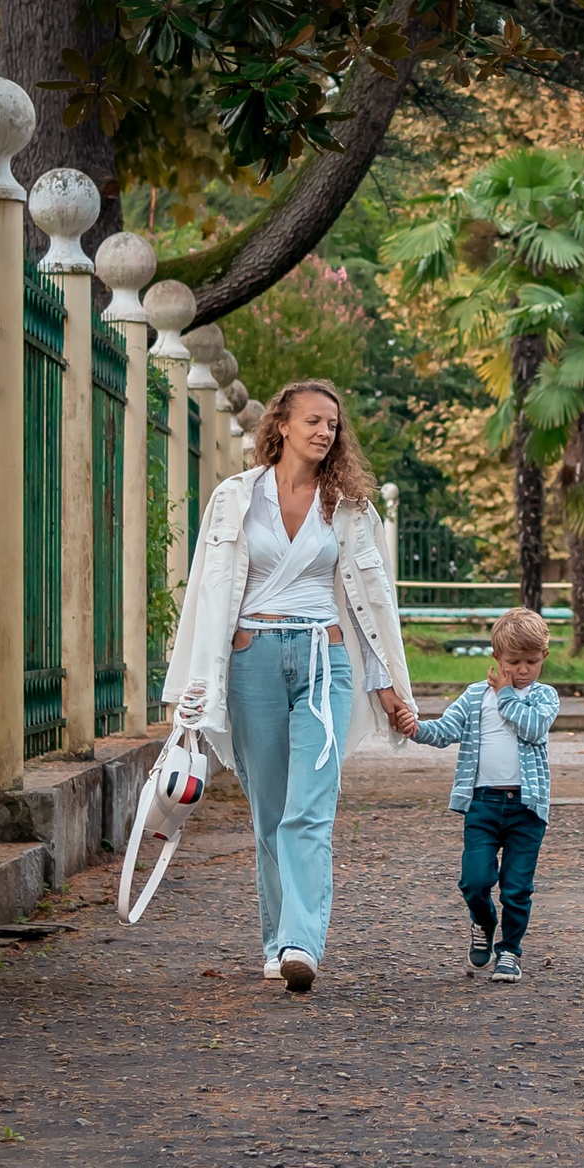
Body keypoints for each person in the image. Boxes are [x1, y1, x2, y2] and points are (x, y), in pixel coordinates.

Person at [161, 379, 419, 993]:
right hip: (251, 660)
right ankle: (277, 942)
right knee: (271, 811)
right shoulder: (234, 498)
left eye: (332, 423)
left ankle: (302, 943)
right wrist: (197, 685)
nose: (325, 431)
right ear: (281, 425)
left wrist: (386, 683)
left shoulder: (350, 507)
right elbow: (206, 593)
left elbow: (372, 603)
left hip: (325, 660)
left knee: (309, 807)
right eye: (313, 420)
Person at [407, 607, 560, 982]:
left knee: (517, 888)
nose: (522, 670)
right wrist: (415, 729)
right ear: (496, 656)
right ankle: (483, 921)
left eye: (531, 662)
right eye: (513, 662)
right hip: (483, 804)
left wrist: (506, 694)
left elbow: (533, 728)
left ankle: (509, 952)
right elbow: (445, 730)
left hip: (527, 807)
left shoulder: (544, 697)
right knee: (475, 881)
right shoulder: (475, 696)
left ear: (544, 657)